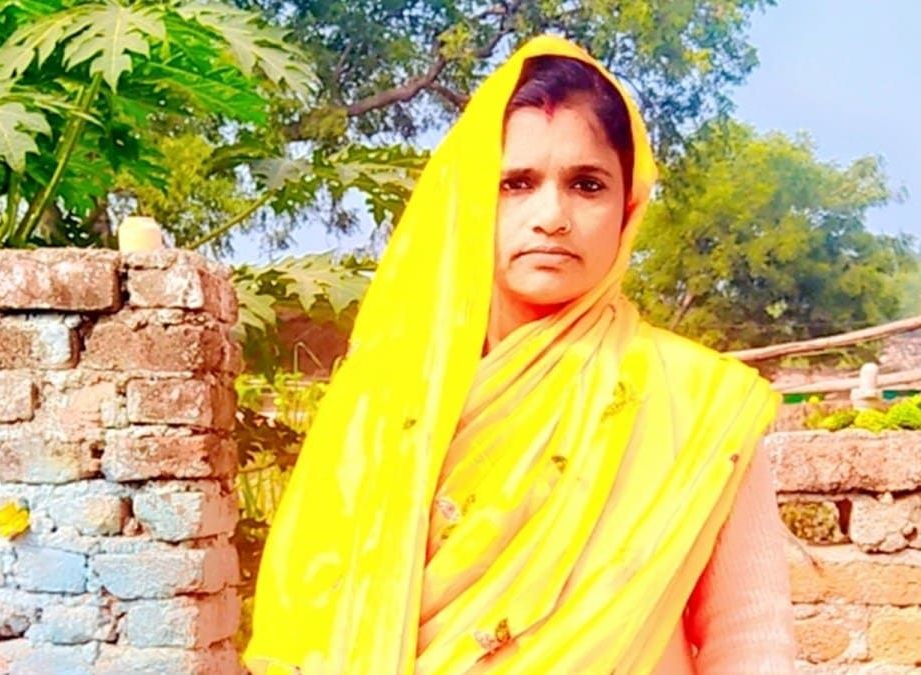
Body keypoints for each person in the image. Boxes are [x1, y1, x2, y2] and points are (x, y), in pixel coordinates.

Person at [244, 35, 796, 674]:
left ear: (627, 208)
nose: (551, 216)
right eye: (516, 183)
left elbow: (750, 638)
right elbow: (308, 627)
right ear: (471, 200)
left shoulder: (696, 402)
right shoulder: (383, 401)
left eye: (587, 184)